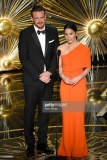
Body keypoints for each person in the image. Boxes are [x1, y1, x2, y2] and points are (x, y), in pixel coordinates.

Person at [18, 5, 59, 157]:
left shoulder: (53, 31)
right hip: (32, 80)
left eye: (42, 17)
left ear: (45, 16)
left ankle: (42, 143)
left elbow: (56, 55)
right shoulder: (25, 34)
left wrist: (49, 72)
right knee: (29, 113)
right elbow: (24, 58)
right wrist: (39, 75)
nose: (40, 20)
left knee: (45, 112)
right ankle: (30, 144)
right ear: (32, 18)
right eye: (37, 18)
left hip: (48, 79)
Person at [57, 22, 91, 159]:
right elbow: (59, 69)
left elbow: (87, 68)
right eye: (66, 34)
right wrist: (63, 77)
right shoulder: (60, 48)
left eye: (71, 34)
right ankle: (66, 149)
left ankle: (78, 149)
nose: (68, 37)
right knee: (67, 117)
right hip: (65, 86)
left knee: (77, 117)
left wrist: (78, 77)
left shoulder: (84, 49)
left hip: (79, 84)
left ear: (76, 33)